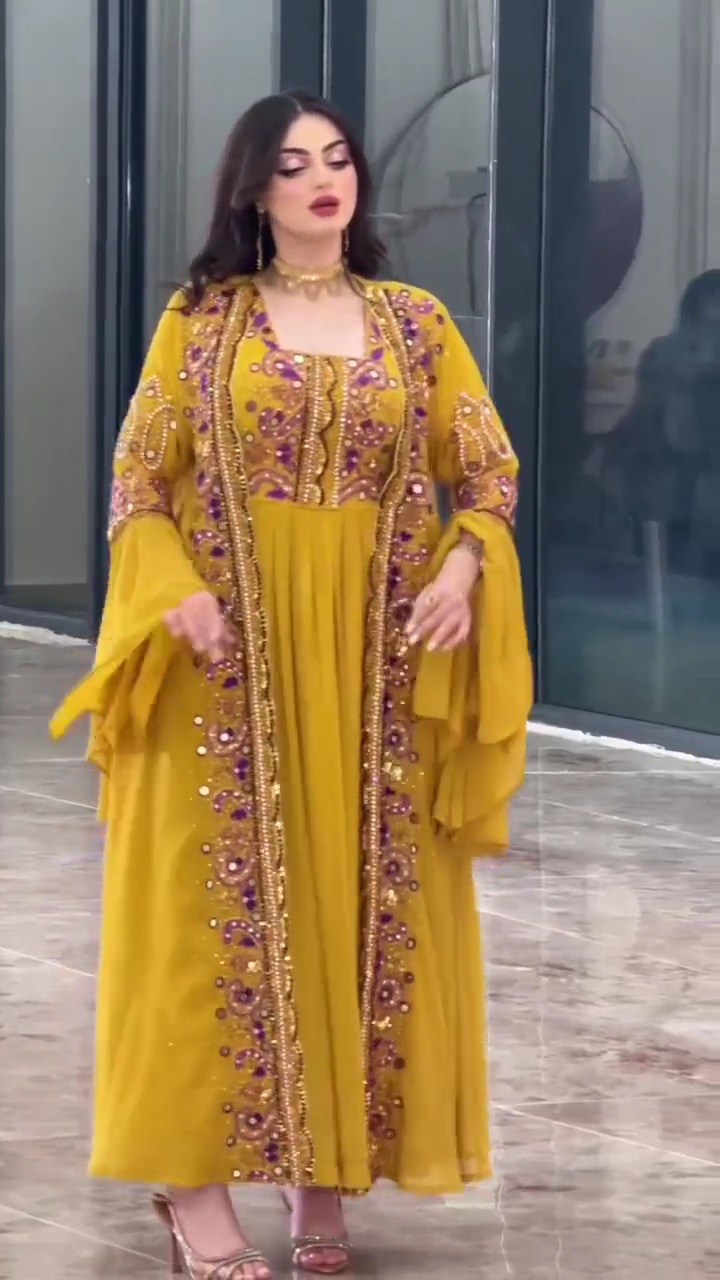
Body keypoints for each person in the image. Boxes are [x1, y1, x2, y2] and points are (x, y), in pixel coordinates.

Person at [51, 91, 531, 1279]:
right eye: (294, 163)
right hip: (224, 659)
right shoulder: (203, 321)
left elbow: (487, 471)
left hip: (375, 667)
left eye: (339, 157)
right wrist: (174, 586)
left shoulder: (416, 324)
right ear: (253, 192)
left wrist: (464, 565)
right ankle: (191, 1186)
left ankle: (324, 1165)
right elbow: (137, 481)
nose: (325, 178)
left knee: (354, 901)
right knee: (199, 920)